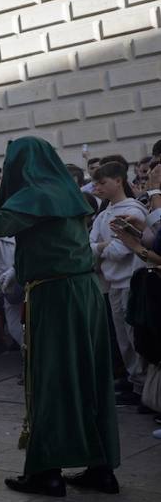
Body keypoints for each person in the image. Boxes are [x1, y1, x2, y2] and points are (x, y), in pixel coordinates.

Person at [0, 137, 120, 496]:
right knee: (89, 378)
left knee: (48, 378)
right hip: (84, 293)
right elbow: (55, 242)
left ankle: (46, 472)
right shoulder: (66, 194)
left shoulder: (37, 194)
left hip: (55, 297)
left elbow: (0, 224)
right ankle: (101, 467)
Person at [88, 162, 149, 405]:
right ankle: (135, 384)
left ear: (118, 181)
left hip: (131, 282)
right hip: (113, 283)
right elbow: (88, 246)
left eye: (103, 182)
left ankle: (145, 387)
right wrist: (101, 247)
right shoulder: (103, 214)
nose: (98, 188)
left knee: (136, 339)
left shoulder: (133, 211)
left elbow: (120, 250)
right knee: (123, 340)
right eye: (96, 183)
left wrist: (100, 248)